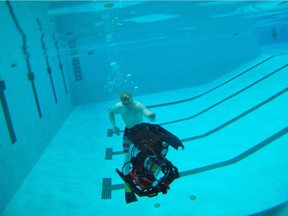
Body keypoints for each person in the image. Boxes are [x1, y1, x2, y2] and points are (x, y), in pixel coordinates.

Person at [108, 92, 156, 166]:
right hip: (129, 131)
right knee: (127, 155)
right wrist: (114, 126)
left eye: (130, 103)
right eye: (125, 104)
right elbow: (110, 112)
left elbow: (148, 115)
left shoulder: (138, 106)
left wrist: (152, 116)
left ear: (132, 99)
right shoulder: (119, 107)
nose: (128, 106)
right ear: (122, 102)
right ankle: (126, 173)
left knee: (148, 152)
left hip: (141, 131)